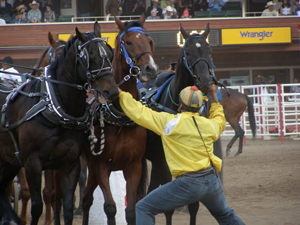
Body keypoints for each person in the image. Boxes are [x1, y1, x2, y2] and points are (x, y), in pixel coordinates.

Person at [118, 84, 245, 225]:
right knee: (225, 215)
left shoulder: (170, 123)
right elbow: (220, 119)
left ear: (181, 105)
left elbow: (139, 112)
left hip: (188, 184)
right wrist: (214, 97)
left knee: (143, 207)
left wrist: (120, 94)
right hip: (212, 181)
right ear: (200, 106)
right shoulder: (210, 126)